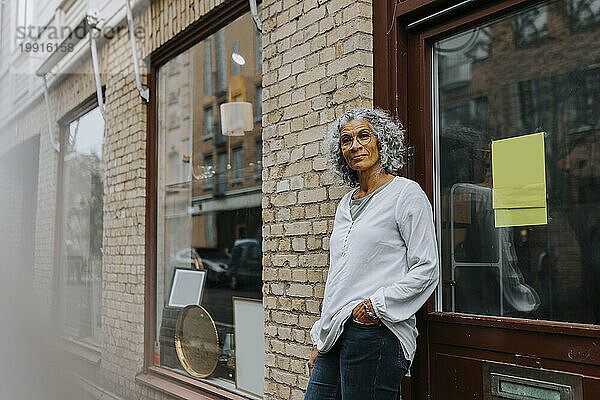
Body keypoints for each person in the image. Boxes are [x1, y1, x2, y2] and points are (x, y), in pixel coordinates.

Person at [304, 108, 439, 400]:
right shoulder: (345, 204)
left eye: (363, 136)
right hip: (335, 331)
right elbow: (339, 276)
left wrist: (373, 307)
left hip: (375, 330)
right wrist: (320, 337)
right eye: (346, 140)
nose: (355, 145)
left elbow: (426, 268)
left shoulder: (406, 194)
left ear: (381, 141)